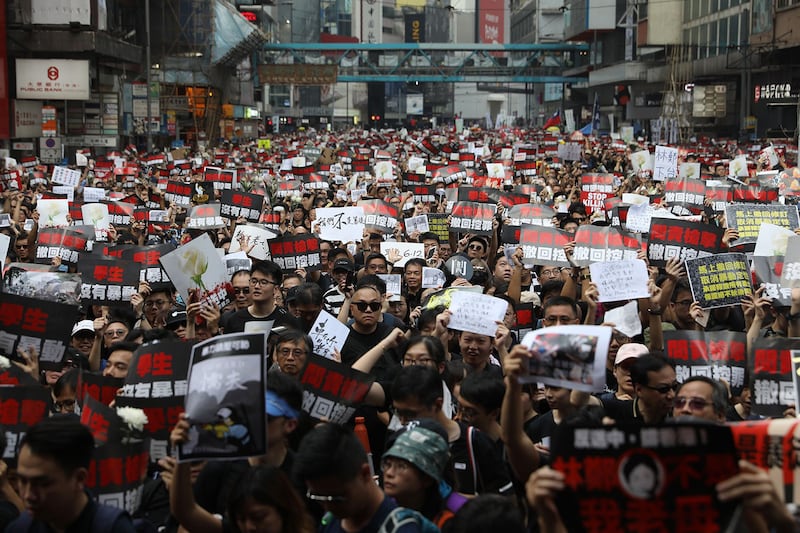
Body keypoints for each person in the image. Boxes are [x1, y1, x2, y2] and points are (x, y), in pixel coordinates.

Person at [391, 366, 512, 496]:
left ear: (437, 404)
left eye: (410, 414)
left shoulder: (474, 441)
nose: (403, 421)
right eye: (398, 412)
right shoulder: (401, 441)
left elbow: (506, 500)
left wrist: (452, 501)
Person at [7, 416, 137, 532]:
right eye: (23, 481)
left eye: (43, 484)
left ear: (79, 479)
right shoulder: (20, 527)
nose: (28, 495)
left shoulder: (113, 528)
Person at [294, 423, 426, 533]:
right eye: (318, 497)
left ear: (364, 473)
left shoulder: (401, 529)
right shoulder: (330, 521)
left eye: (337, 498)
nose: (328, 506)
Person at [381, 421, 462, 529]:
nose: (389, 473)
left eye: (402, 466)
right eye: (388, 464)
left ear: (427, 478)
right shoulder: (383, 508)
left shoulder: (458, 517)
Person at [224, 262, 303, 334]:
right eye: (253, 281)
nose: (257, 286)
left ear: (275, 289)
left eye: (263, 282)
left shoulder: (288, 320)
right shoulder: (235, 320)